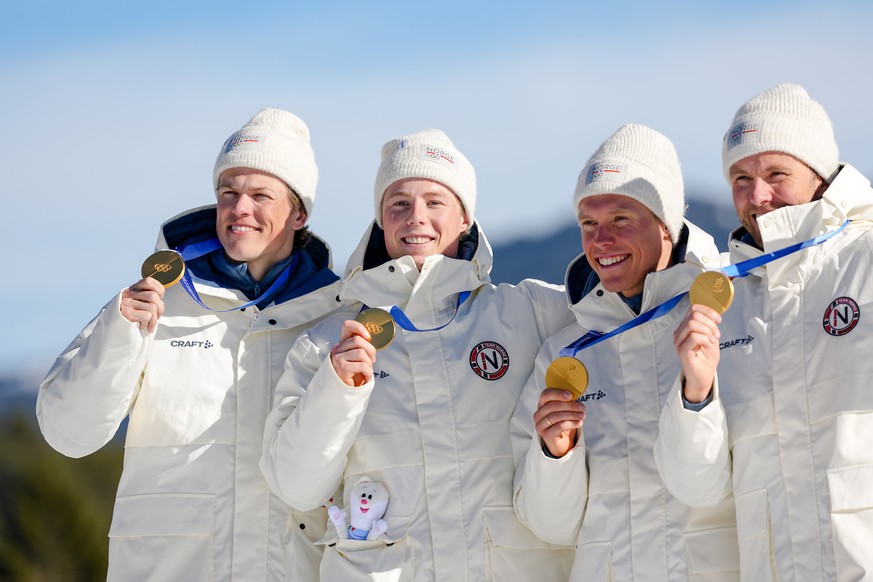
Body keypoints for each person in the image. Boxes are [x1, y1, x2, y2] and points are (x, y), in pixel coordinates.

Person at [37, 108, 343, 581]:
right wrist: (121, 337)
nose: (240, 208)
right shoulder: (152, 301)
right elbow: (68, 434)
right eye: (229, 193)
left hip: (292, 564)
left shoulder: (337, 316)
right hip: (170, 566)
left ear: (298, 213)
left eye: (261, 195)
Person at [260, 128, 576, 581]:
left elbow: (628, 309)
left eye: (435, 201)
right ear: (381, 220)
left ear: (465, 218)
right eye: (399, 204)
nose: (416, 218)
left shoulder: (530, 312)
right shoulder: (329, 342)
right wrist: (335, 391)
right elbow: (295, 485)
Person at [654, 83, 873, 581]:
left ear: (819, 174)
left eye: (777, 173)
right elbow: (697, 487)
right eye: (740, 178)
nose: (757, 196)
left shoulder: (865, 259)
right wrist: (696, 394)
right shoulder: (722, 304)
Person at [512, 124, 741, 580]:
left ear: (666, 224)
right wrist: (555, 455)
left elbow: (712, 486)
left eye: (620, 219)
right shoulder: (565, 354)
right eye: (589, 224)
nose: (601, 242)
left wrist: (697, 395)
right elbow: (551, 527)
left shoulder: (731, 319)